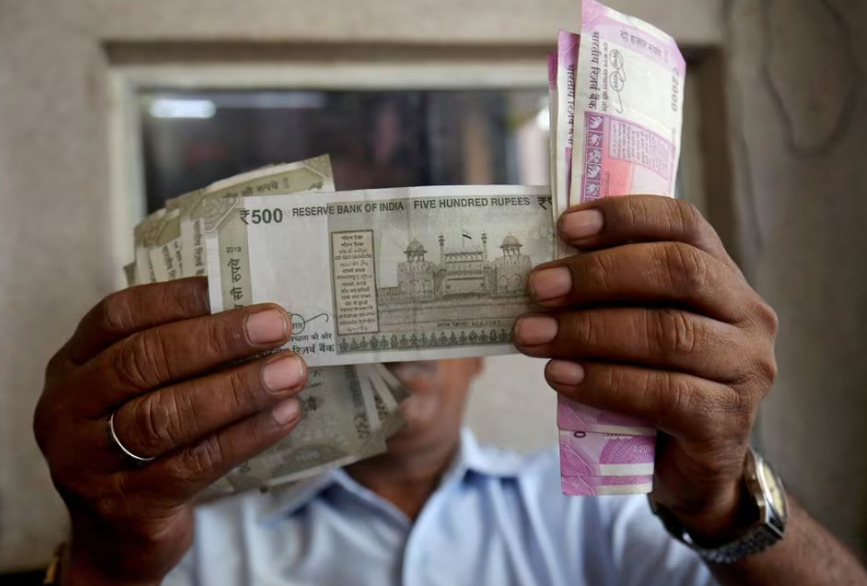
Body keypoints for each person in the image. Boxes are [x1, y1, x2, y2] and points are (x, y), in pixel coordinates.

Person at [34, 196, 867, 585]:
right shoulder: (195, 550)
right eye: (378, 328)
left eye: (428, 329)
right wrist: (107, 570)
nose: (404, 356)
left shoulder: (595, 513)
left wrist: (721, 501)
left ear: (480, 353)